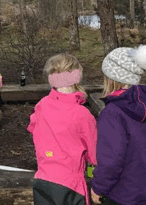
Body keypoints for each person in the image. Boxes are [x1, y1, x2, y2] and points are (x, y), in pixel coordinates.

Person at [90, 45, 146, 205]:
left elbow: (111, 160)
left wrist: (98, 188)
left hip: (122, 195)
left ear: (111, 78)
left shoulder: (112, 112)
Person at [28, 54, 97, 205]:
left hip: (43, 180)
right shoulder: (83, 114)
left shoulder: (42, 105)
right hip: (71, 185)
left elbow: (33, 127)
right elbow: (95, 155)